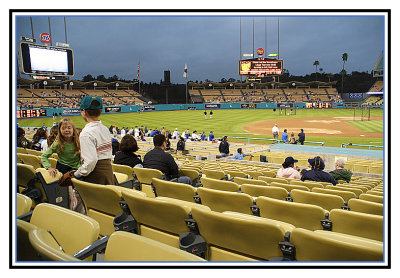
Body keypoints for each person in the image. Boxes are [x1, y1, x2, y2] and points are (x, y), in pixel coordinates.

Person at [41, 118, 84, 213]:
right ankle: (68, 212)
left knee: (79, 195)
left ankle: (79, 214)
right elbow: (44, 156)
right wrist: (49, 167)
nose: (67, 130)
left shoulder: (78, 141)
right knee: (68, 196)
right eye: (63, 128)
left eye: (69, 127)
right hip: (63, 170)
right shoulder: (57, 143)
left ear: (73, 129)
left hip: (77, 171)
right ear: (60, 130)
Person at [72, 95, 114, 185]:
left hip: (95, 174)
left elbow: (91, 161)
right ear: (100, 111)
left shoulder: (86, 133)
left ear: (84, 112)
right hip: (108, 171)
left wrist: (76, 174)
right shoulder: (105, 129)